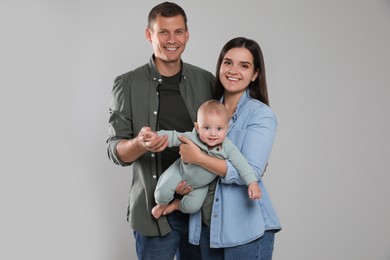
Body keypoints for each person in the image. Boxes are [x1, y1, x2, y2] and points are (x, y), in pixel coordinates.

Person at [106, 2, 214, 260]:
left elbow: (224, 132)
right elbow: (115, 150)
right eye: (163, 32)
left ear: (187, 34)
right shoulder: (127, 84)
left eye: (178, 32)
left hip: (200, 212)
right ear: (149, 35)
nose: (171, 40)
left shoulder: (206, 81)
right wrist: (140, 144)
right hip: (152, 215)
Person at [178, 37, 282, 259]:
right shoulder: (207, 110)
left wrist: (198, 158)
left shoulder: (260, 114)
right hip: (206, 227)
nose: (233, 70)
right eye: (228, 62)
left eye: (244, 65)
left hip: (246, 231)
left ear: (255, 74)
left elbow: (251, 172)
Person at [142, 100, 261, 219]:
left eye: (219, 129)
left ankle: (176, 205)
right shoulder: (192, 137)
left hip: (200, 186)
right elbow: (172, 136)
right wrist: (156, 136)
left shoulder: (227, 147)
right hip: (180, 172)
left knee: (192, 207)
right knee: (161, 194)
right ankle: (162, 205)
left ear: (227, 128)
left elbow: (241, 164)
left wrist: (252, 183)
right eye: (207, 127)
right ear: (197, 127)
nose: (213, 134)